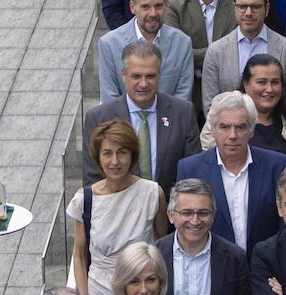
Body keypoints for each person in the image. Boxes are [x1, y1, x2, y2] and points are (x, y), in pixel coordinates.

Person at [69, 120, 168, 295]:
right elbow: (79, 255)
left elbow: (162, 246)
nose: (115, 161)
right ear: (98, 158)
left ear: (132, 156)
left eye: (122, 152)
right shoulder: (85, 199)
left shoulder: (152, 193)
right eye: (107, 153)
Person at [177, 91, 286, 256]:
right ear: (213, 129)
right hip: (213, 267)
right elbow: (184, 226)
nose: (232, 136)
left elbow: (285, 222)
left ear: (251, 130)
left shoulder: (276, 165)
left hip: (266, 269)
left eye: (240, 127)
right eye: (224, 127)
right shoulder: (191, 169)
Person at [82, 45, 201, 198]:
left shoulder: (183, 113)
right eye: (136, 76)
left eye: (150, 76)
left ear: (160, 75)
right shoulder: (99, 118)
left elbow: (193, 174)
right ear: (123, 75)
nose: (143, 84)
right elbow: (93, 180)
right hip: (119, 216)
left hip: (169, 216)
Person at [164, 0, 237, 119]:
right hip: (187, 97)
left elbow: (239, 49)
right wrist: (222, 50)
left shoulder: (238, 6)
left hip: (230, 97)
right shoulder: (173, 6)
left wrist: (196, 54)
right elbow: (178, 54)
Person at [201, 0, 286, 110]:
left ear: (266, 9)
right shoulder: (216, 51)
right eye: (242, 6)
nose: (248, 13)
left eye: (255, 7)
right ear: (235, 8)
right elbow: (211, 107)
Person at [98, 0, 193, 104]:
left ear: (166, 5)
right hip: (123, 122)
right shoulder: (109, 44)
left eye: (158, 6)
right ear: (132, 7)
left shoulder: (182, 43)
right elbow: (109, 100)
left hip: (169, 121)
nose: (153, 13)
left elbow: (182, 99)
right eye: (145, 7)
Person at [232, 56, 286, 155]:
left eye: (275, 82)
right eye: (261, 82)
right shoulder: (224, 117)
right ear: (246, 84)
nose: (269, 89)